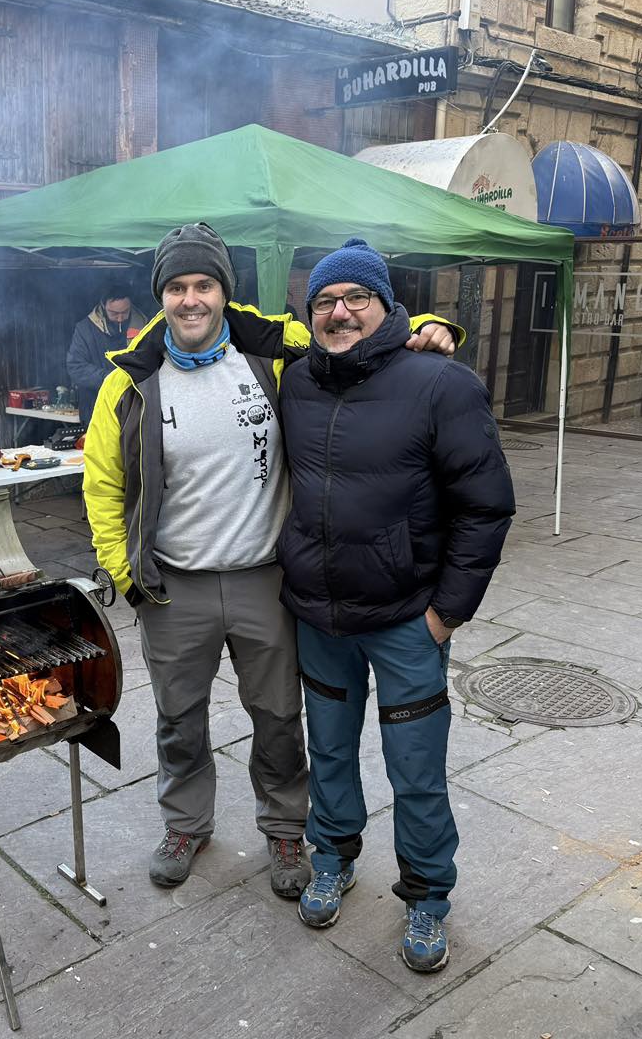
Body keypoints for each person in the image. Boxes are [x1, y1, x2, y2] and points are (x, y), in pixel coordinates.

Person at [83, 223, 459, 899]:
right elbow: (103, 485)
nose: (191, 299)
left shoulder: (273, 352)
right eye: (176, 287)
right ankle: (185, 823)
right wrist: (125, 576)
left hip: (267, 579)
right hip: (173, 587)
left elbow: (356, 333)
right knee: (178, 717)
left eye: (204, 284)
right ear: (159, 296)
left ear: (224, 291)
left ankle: (286, 825)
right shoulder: (129, 383)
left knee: (280, 716)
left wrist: (432, 328)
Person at [276, 237, 514, 972]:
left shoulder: (441, 383)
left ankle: (428, 896)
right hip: (320, 616)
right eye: (325, 301)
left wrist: (447, 613)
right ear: (308, 313)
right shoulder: (296, 381)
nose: (340, 312)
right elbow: (221, 321)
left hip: (408, 619)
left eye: (357, 298)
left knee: (416, 770)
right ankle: (333, 857)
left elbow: (486, 507)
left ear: (386, 306)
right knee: (330, 752)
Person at [67, 285, 146, 427]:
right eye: (114, 313)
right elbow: (76, 367)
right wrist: (112, 379)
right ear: (103, 306)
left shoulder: (144, 325)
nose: (120, 318)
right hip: (95, 409)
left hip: (134, 409)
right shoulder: (85, 329)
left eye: (125, 312)